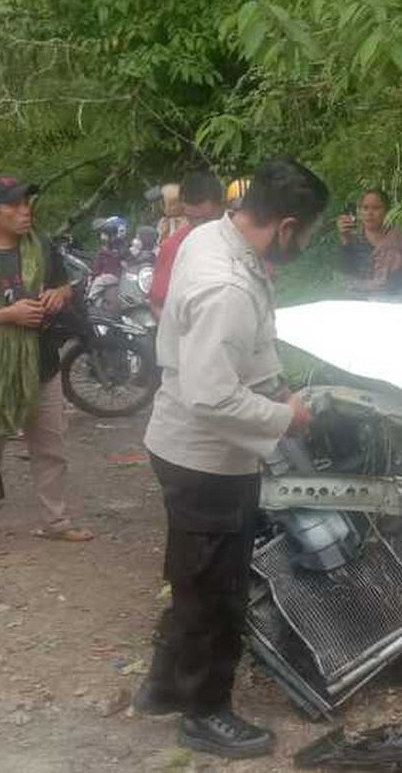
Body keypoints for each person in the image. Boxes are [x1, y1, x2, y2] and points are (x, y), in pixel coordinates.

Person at [134, 157, 327, 759]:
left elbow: (240, 352)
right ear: (287, 224)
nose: (306, 243)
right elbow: (212, 394)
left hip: (188, 446)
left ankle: (164, 686)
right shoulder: (227, 288)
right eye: (308, 233)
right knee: (215, 590)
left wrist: (273, 387)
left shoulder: (210, 235)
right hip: (206, 456)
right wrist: (284, 417)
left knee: (192, 575)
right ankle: (204, 711)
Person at [0, 174, 93, 542]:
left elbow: (63, 283)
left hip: (43, 363)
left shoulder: (41, 245)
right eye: (15, 204)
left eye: (28, 203)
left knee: (51, 448)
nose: (26, 211)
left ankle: (56, 522)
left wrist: (59, 294)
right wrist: (8, 315)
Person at [148, 171, 225, 316]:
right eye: (193, 219)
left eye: (208, 219)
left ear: (222, 206)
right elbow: (157, 305)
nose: (201, 226)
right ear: (183, 208)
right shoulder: (173, 247)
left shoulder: (243, 239)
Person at [335, 188, 402, 293]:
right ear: (359, 211)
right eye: (365, 208)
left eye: (376, 208)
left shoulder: (401, 239)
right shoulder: (353, 239)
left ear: (387, 211)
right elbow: (343, 279)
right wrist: (345, 239)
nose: (370, 213)